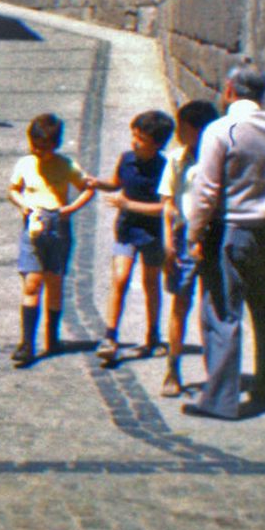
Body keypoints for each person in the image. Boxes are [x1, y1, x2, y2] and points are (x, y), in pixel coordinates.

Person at [183, 65, 265, 420]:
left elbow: (206, 191)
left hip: (231, 229)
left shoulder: (221, 130)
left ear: (230, 89)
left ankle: (220, 400)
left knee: (222, 311)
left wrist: (194, 233)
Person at [86, 110, 177, 368]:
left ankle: (152, 335)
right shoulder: (126, 160)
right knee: (120, 278)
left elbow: (164, 208)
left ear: (157, 144)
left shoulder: (164, 168)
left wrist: (128, 204)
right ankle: (110, 337)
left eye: (141, 139)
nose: (135, 142)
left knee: (150, 283)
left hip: (152, 234)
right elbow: (116, 183)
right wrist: (96, 183)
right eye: (134, 135)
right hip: (126, 230)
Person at [5, 113, 96, 367]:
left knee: (54, 283)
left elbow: (88, 187)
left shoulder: (66, 165)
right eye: (34, 146)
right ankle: (27, 343)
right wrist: (23, 204)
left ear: (55, 145)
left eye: (44, 147)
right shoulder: (26, 164)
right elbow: (13, 190)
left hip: (57, 227)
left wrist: (70, 209)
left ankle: (52, 337)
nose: (38, 151)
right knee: (32, 283)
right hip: (33, 226)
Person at [158, 100, 222, 398]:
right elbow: (168, 203)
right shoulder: (177, 159)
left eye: (182, 128)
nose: (178, 133)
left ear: (197, 129)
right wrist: (168, 242)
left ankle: (216, 375)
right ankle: (173, 368)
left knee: (214, 307)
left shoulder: (218, 158)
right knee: (180, 303)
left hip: (211, 235)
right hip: (183, 237)